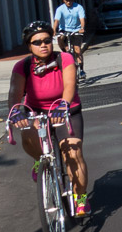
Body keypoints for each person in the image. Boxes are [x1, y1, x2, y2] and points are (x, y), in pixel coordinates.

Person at [8, 21, 90, 216]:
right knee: (27, 134)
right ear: (29, 46)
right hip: (37, 112)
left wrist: (63, 104)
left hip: (65, 110)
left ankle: (80, 198)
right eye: (37, 42)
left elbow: (70, 85)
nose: (43, 45)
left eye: (47, 40)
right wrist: (16, 110)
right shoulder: (23, 66)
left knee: (73, 154)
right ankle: (40, 160)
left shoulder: (65, 58)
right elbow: (14, 93)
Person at [53, 0, 86, 80]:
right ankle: (66, 50)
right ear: (63, 0)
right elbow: (56, 21)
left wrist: (82, 27)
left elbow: (82, 19)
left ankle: (81, 70)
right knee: (60, 38)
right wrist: (54, 30)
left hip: (76, 30)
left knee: (77, 50)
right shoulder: (60, 9)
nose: (69, 2)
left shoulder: (78, 7)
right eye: (67, 0)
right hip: (64, 30)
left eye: (71, 0)